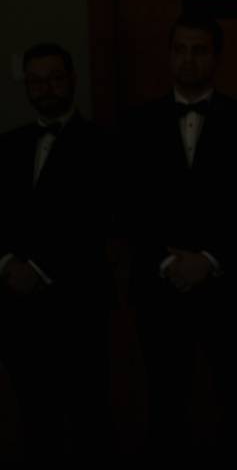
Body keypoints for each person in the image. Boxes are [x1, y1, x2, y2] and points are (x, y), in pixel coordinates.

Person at [120, 15, 237, 462]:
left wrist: (209, 258)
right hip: (159, 288)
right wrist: (167, 263)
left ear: (216, 57)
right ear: (169, 55)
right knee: (165, 405)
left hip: (229, 288)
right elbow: (127, 206)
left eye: (200, 49)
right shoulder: (137, 123)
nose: (189, 58)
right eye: (181, 49)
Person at [0, 43, 114, 463]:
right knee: (34, 422)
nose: (45, 87)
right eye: (35, 80)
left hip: (78, 305)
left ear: (72, 80)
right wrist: (7, 264)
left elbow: (98, 221)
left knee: (90, 420)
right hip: (18, 311)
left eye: (54, 77)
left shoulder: (102, 145)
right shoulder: (7, 146)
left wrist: (42, 268)